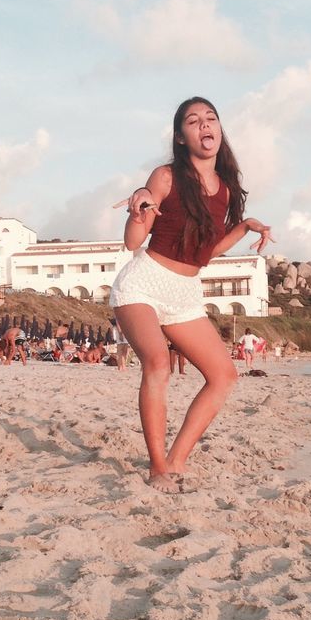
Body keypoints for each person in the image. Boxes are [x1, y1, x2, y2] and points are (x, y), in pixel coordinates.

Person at [111, 96, 273, 493]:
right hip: (143, 283)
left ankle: (177, 460)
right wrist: (139, 210)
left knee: (224, 375)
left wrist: (244, 226)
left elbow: (208, 251)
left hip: (185, 292)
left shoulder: (226, 190)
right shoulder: (165, 177)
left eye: (210, 118)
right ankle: (157, 468)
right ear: (181, 137)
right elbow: (134, 241)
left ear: (219, 129)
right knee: (158, 365)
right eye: (193, 121)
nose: (204, 125)